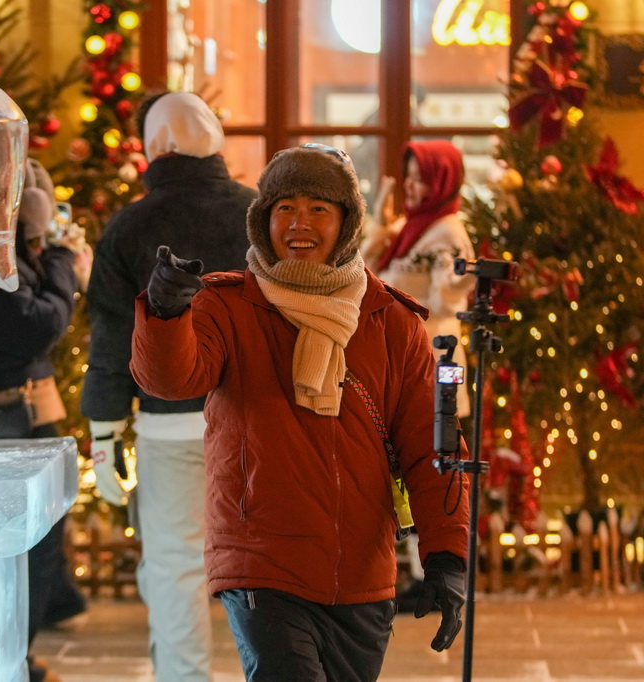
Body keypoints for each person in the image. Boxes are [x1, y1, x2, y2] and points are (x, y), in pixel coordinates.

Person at [129, 144, 470, 681]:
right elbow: (171, 380)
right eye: (284, 207)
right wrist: (167, 313)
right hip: (262, 560)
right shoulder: (229, 305)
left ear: (347, 222)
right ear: (263, 220)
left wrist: (447, 557)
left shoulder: (391, 321)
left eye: (318, 208)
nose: (299, 223)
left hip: (360, 571)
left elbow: (433, 444)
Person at [81, 91, 256, 682]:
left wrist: (103, 431)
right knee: (267, 563)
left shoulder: (131, 226)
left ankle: (184, 678)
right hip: (256, 418)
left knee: (174, 565)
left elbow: (110, 334)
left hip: (168, 421)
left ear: (153, 149)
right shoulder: (259, 214)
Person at [0, 158, 91, 682]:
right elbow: (39, 323)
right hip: (6, 420)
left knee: (23, 547)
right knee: (23, 549)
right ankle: (7, 662)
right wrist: (57, 254)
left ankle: (11, 658)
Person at [361, 139, 476, 417]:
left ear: (441, 182)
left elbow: (446, 301)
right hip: (400, 359)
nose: (408, 186)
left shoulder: (448, 233)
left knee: (432, 448)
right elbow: (364, 276)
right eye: (408, 177)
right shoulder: (407, 226)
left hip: (432, 359)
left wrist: (466, 277)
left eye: (420, 179)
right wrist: (379, 230)